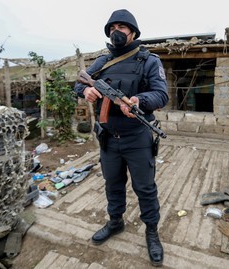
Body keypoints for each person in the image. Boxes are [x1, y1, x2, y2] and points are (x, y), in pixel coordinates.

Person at [74, 9, 168, 267]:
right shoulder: (102, 61)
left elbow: (161, 95)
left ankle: (151, 232)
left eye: (122, 27)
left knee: (145, 188)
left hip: (137, 137)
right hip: (108, 139)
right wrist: (88, 91)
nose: (117, 31)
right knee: (112, 184)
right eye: (112, 27)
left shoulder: (149, 61)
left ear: (133, 32)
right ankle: (115, 222)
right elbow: (78, 85)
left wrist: (138, 100)